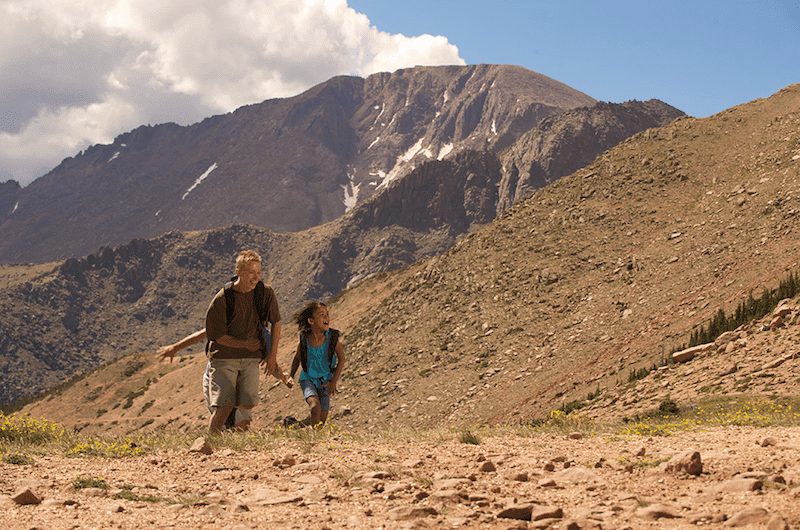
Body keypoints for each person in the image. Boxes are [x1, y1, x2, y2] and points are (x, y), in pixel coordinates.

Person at [205, 249, 281, 433]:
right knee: (224, 407)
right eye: (250, 273)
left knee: (246, 406)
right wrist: (244, 344)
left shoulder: (266, 293)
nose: (255, 278)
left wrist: (272, 356)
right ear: (238, 271)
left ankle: (234, 445)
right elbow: (217, 336)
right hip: (224, 358)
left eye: (258, 273)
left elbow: (276, 322)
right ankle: (209, 444)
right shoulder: (223, 298)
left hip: (251, 359)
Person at [157, 328, 290, 431]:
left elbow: (270, 363)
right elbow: (203, 334)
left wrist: (282, 377)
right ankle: (210, 449)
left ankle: (226, 455)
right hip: (218, 380)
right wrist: (175, 348)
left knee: (241, 427)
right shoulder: (230, 321)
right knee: (233, 423)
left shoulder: (262, 333)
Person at [284, 301, 346, 428]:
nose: (326, 317)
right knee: (314, 407)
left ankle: (293, 425)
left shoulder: (332, 337)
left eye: (327, 314)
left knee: (321, 420)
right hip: (308, 379)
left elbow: (342, 358)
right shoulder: (304, 339)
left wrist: (334, 382)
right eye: (321, 314)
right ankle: (314, 440)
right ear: (311, 321)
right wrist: (291, 376)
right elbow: (297, 359)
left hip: (326, 381)